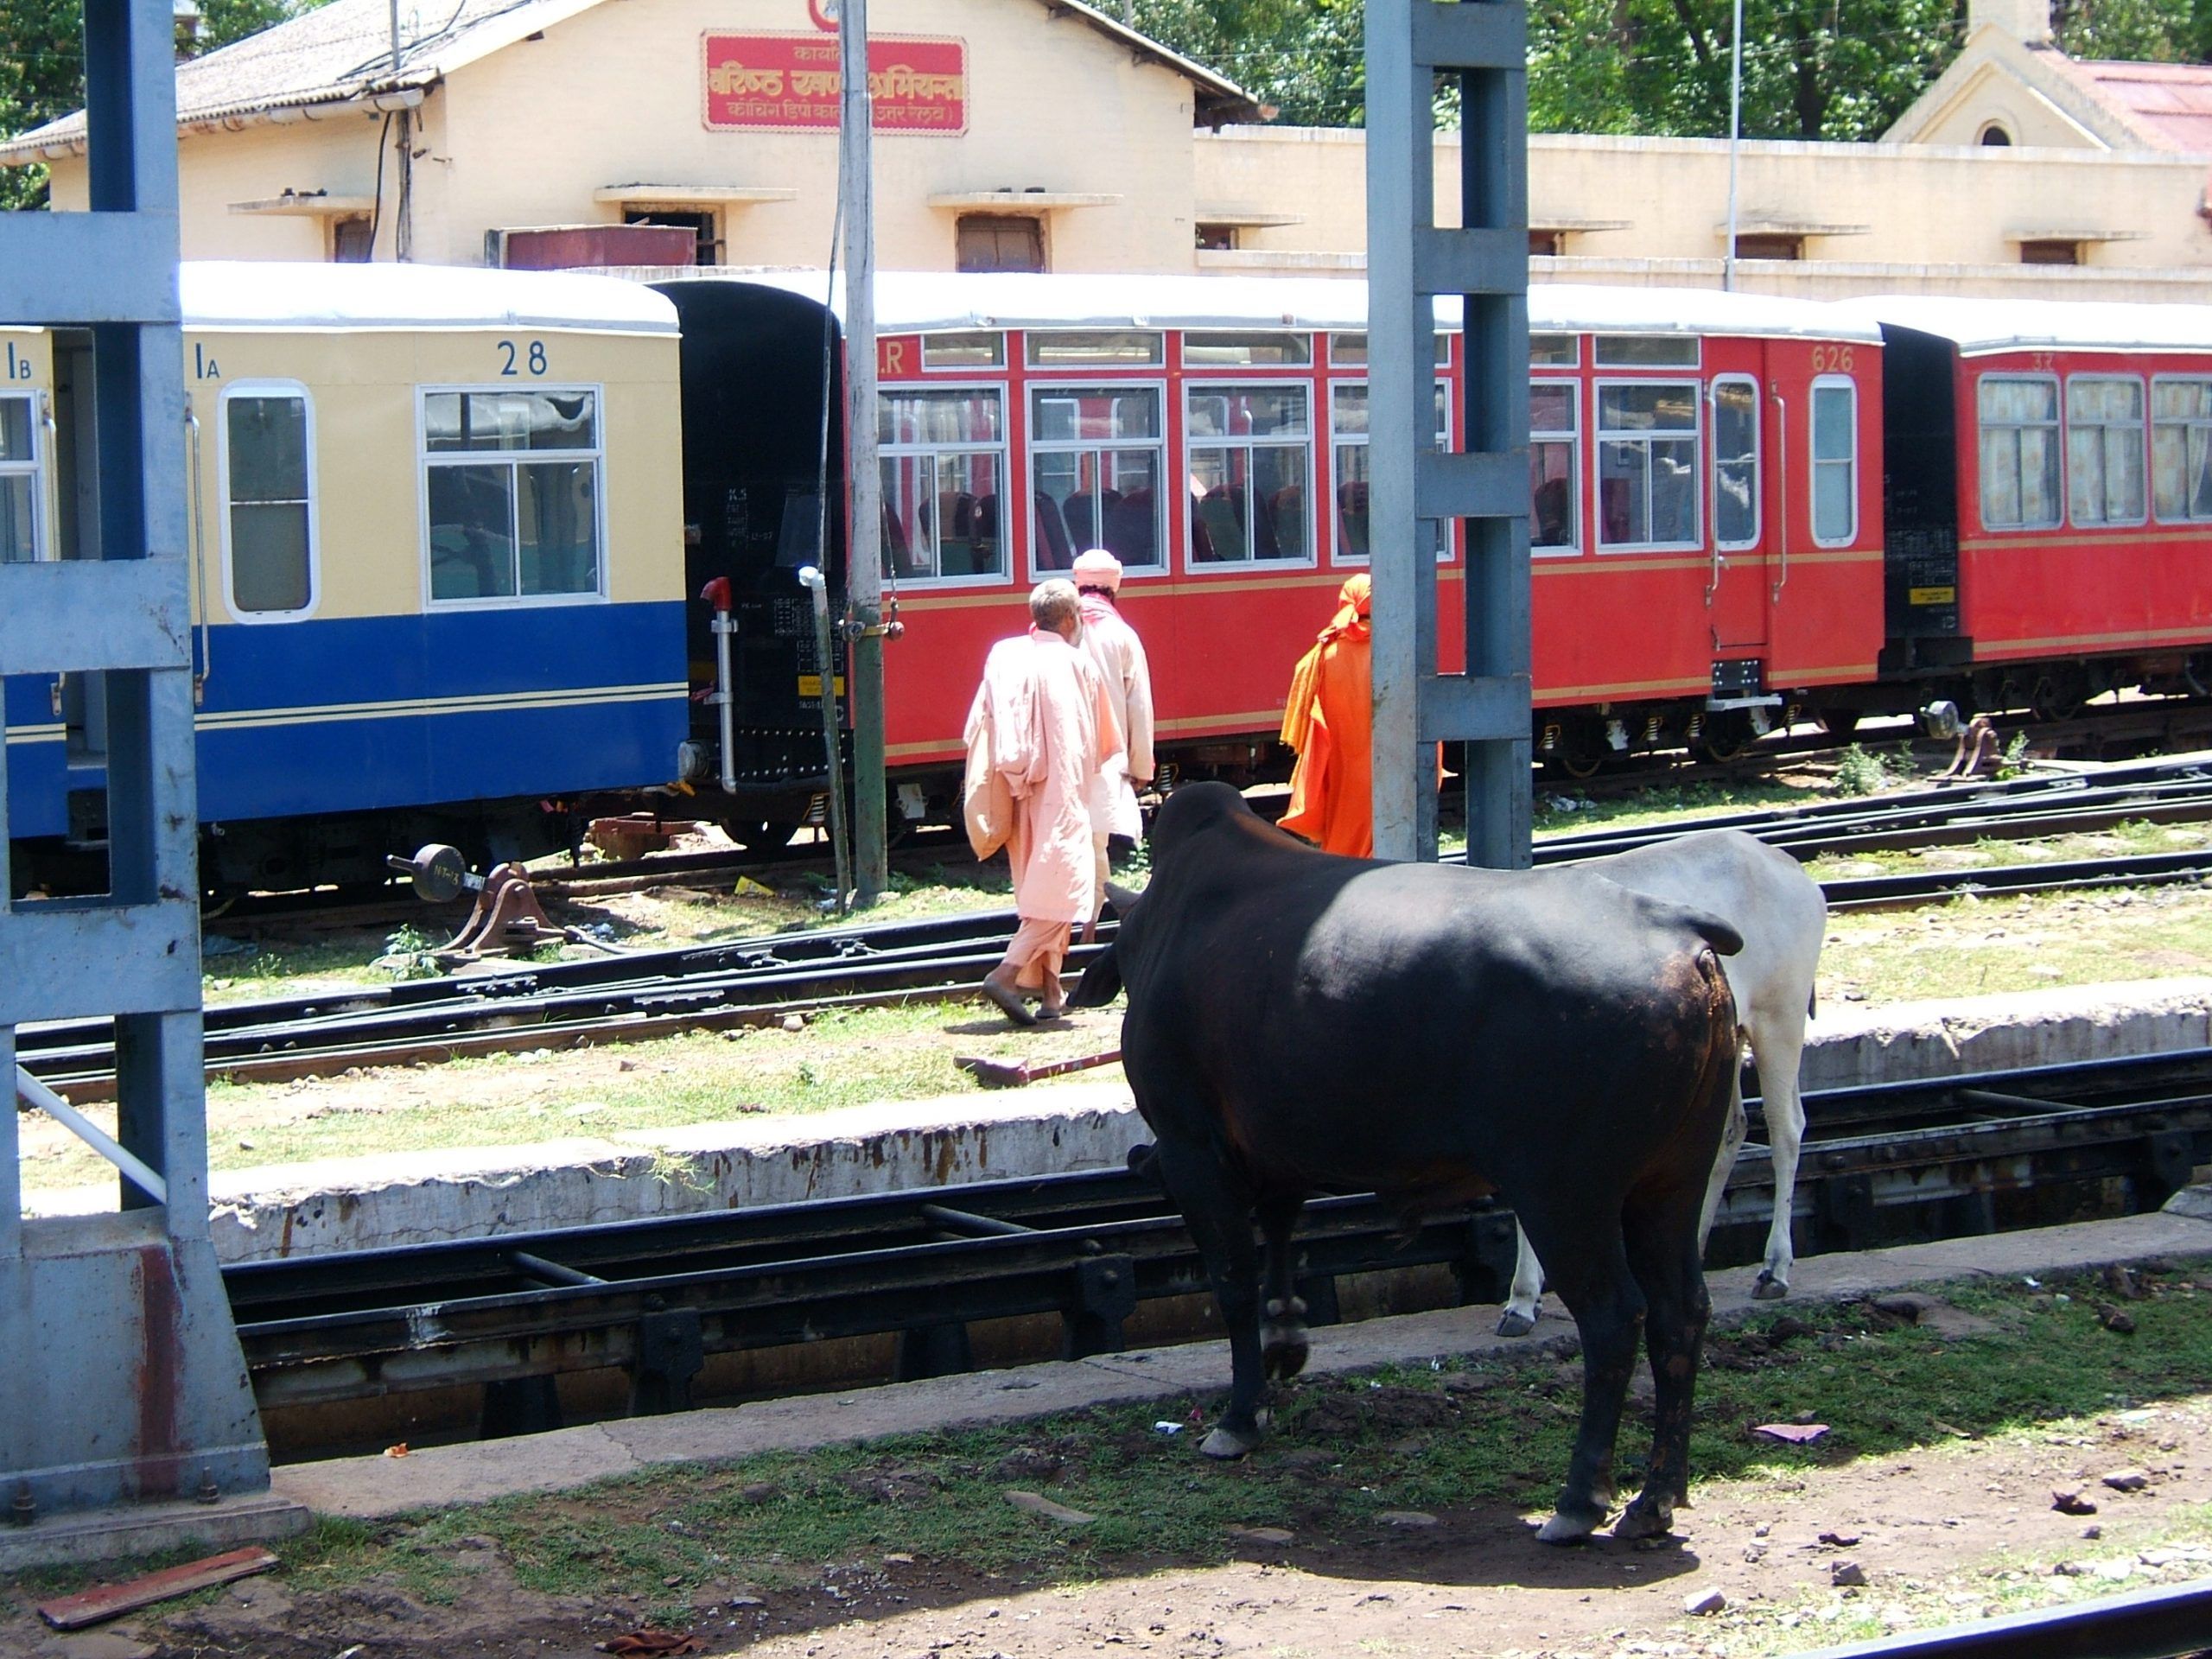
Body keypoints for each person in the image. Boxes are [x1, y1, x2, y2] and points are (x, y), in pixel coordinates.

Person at [962, 579, 1123, 1024]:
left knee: (1041, 892)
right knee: (1066, 891)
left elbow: (980, 722)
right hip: (1062, 792)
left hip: (1016, 792)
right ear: (1071, 619)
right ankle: (1006, 972)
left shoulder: (1005, 654)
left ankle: (1053, 994)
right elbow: (1102, 742)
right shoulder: (1078, 663)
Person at [1071, 548, 1155, 883]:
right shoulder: (1123, 636)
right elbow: (1139, 705)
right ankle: (1088, 924)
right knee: (1095, 843)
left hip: (1061, 757)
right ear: (1114, 586)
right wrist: (1141, 765)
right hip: (1107, 758)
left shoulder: (1055, 630)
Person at [1278, 573, 1377, 858]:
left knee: (1343, 850)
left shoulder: (1324, 655)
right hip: (1389, 770)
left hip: (1341, 772)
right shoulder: (1395, 651)